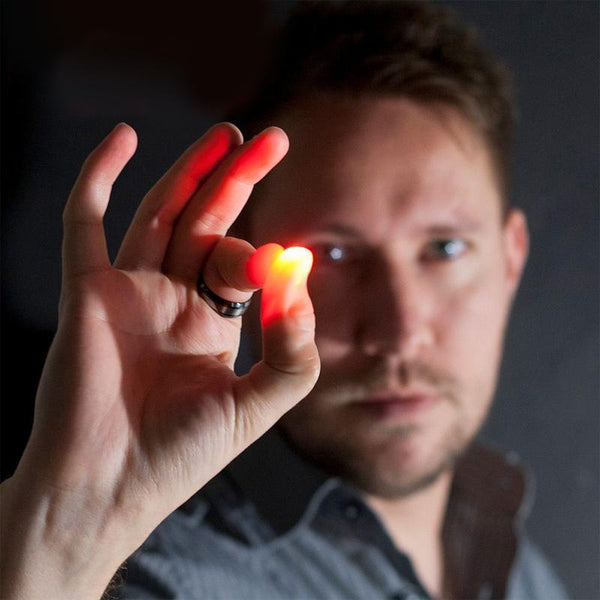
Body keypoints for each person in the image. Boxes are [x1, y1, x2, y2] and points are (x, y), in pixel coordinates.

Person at [0, 2, 569, 599]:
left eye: (445, 248)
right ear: (243, 255)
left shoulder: (526, 576)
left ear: (511, 259)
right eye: (336, 254)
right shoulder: (151, 577)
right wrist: (67, 542)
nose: (399, 332)